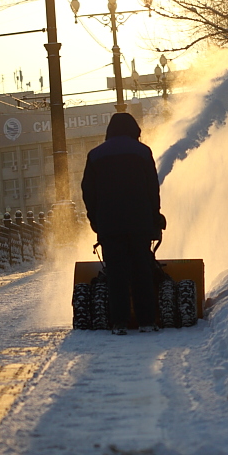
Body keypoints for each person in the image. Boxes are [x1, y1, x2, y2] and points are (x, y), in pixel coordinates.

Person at [81, 112, 164, 335]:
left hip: (110, 225)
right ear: (134, 130)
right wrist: (155, 216)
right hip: (139, 222)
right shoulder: (143, 152)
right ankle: (146, 321)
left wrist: (95, 220)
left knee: (116, 273)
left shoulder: (95, 155)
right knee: (141, 270)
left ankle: (119, 323)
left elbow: (88, 192)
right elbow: (152, 189)